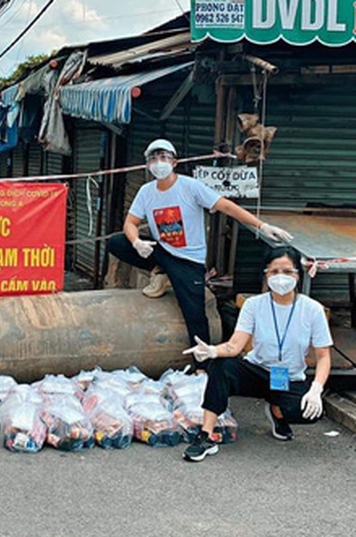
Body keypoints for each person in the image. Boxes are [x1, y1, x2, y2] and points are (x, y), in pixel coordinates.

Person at [107, 139, 293, 369]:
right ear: (148, 165)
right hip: (161, 251)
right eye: (153, 159)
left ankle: (203, 368)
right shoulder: (146, 192)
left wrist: (262, 226)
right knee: (116, 242)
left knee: (194, 314)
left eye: (163, 158)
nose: (158, 163)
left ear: (174, 162)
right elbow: (130, 222)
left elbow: (226, 206)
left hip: (188, 260)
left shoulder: (190, 187)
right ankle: (159, 271)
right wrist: (136, 242)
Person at [181, 247, 331, 462]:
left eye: (288, 272)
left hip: (288, 378)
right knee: (220, 367)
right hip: (256, 371)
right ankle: (206, 435)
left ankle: (277, 412)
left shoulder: (312, 309)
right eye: (274, 272)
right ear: (266, 274)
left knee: (310, 412)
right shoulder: (254, 305)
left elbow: (323, 356)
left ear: (299, 274)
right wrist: (212, 351)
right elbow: (235, 345)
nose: (281, 278)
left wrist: (316, 389)